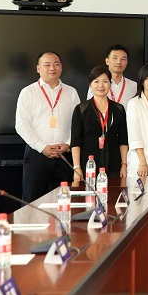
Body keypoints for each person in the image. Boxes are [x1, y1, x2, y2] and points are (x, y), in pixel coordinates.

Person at [15, 51, 81, 202]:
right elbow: (21, 125)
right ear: (38, 68)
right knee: (32, 202)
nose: (52, 68)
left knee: (64, 201)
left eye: (56, 64)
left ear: (61, 67)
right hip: (37, 155)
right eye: (47, 65)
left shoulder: (71, 92)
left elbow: (77, 123)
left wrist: (68, 144)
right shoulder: (28, 92)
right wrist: (42, 147)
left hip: (64, 155)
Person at [72, 65, 128, 180]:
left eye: (105, 81)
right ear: (90, 84)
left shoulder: (119, 109)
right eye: (96, 81)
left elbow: (123, 140)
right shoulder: (81, 109)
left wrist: (124, 165)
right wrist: (77, 167)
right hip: (88, 165)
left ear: (110, 84)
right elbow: (76, 141)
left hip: (114, 165)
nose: (101, 86)